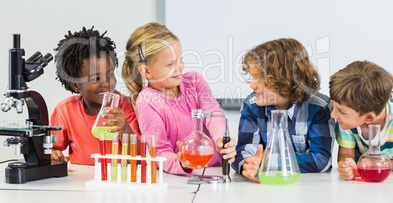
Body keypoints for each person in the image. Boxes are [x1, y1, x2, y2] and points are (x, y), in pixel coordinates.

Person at [122, 22, 236, 175]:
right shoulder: (147, 102)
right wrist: (181, 163)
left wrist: (221, 139)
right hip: (183, 179)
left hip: (216, 170)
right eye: (170, 64)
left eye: (180, 59)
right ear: (146, 71)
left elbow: (213, 112)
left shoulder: (194, 81)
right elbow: (160, 152)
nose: (180, 66)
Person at [232, 38, 335, 183]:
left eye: (260, 78)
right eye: (252, 77)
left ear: (287, 80)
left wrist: (269, 160)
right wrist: (247, 165)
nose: (252, 85)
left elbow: (320, 160)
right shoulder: (251, 105)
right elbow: (243, 152)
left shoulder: (319, 107)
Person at [50, 27, 140, 165]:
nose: (106, 83)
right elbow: (50, 149)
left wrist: (125, 128)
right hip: (82, 183)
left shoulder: (124, 107)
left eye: (110, 74)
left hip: (120, 180)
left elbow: (141, 157)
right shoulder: (66, 111)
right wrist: (52, 154)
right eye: (96, 78)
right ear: (75, 85)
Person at [330, 60, 393, 181]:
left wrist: (373, 163)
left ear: (369, 118)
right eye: (334, 107)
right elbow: (345, 154)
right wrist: (348, 166)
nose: (333, 114)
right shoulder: (346, 122)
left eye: (341, 111)